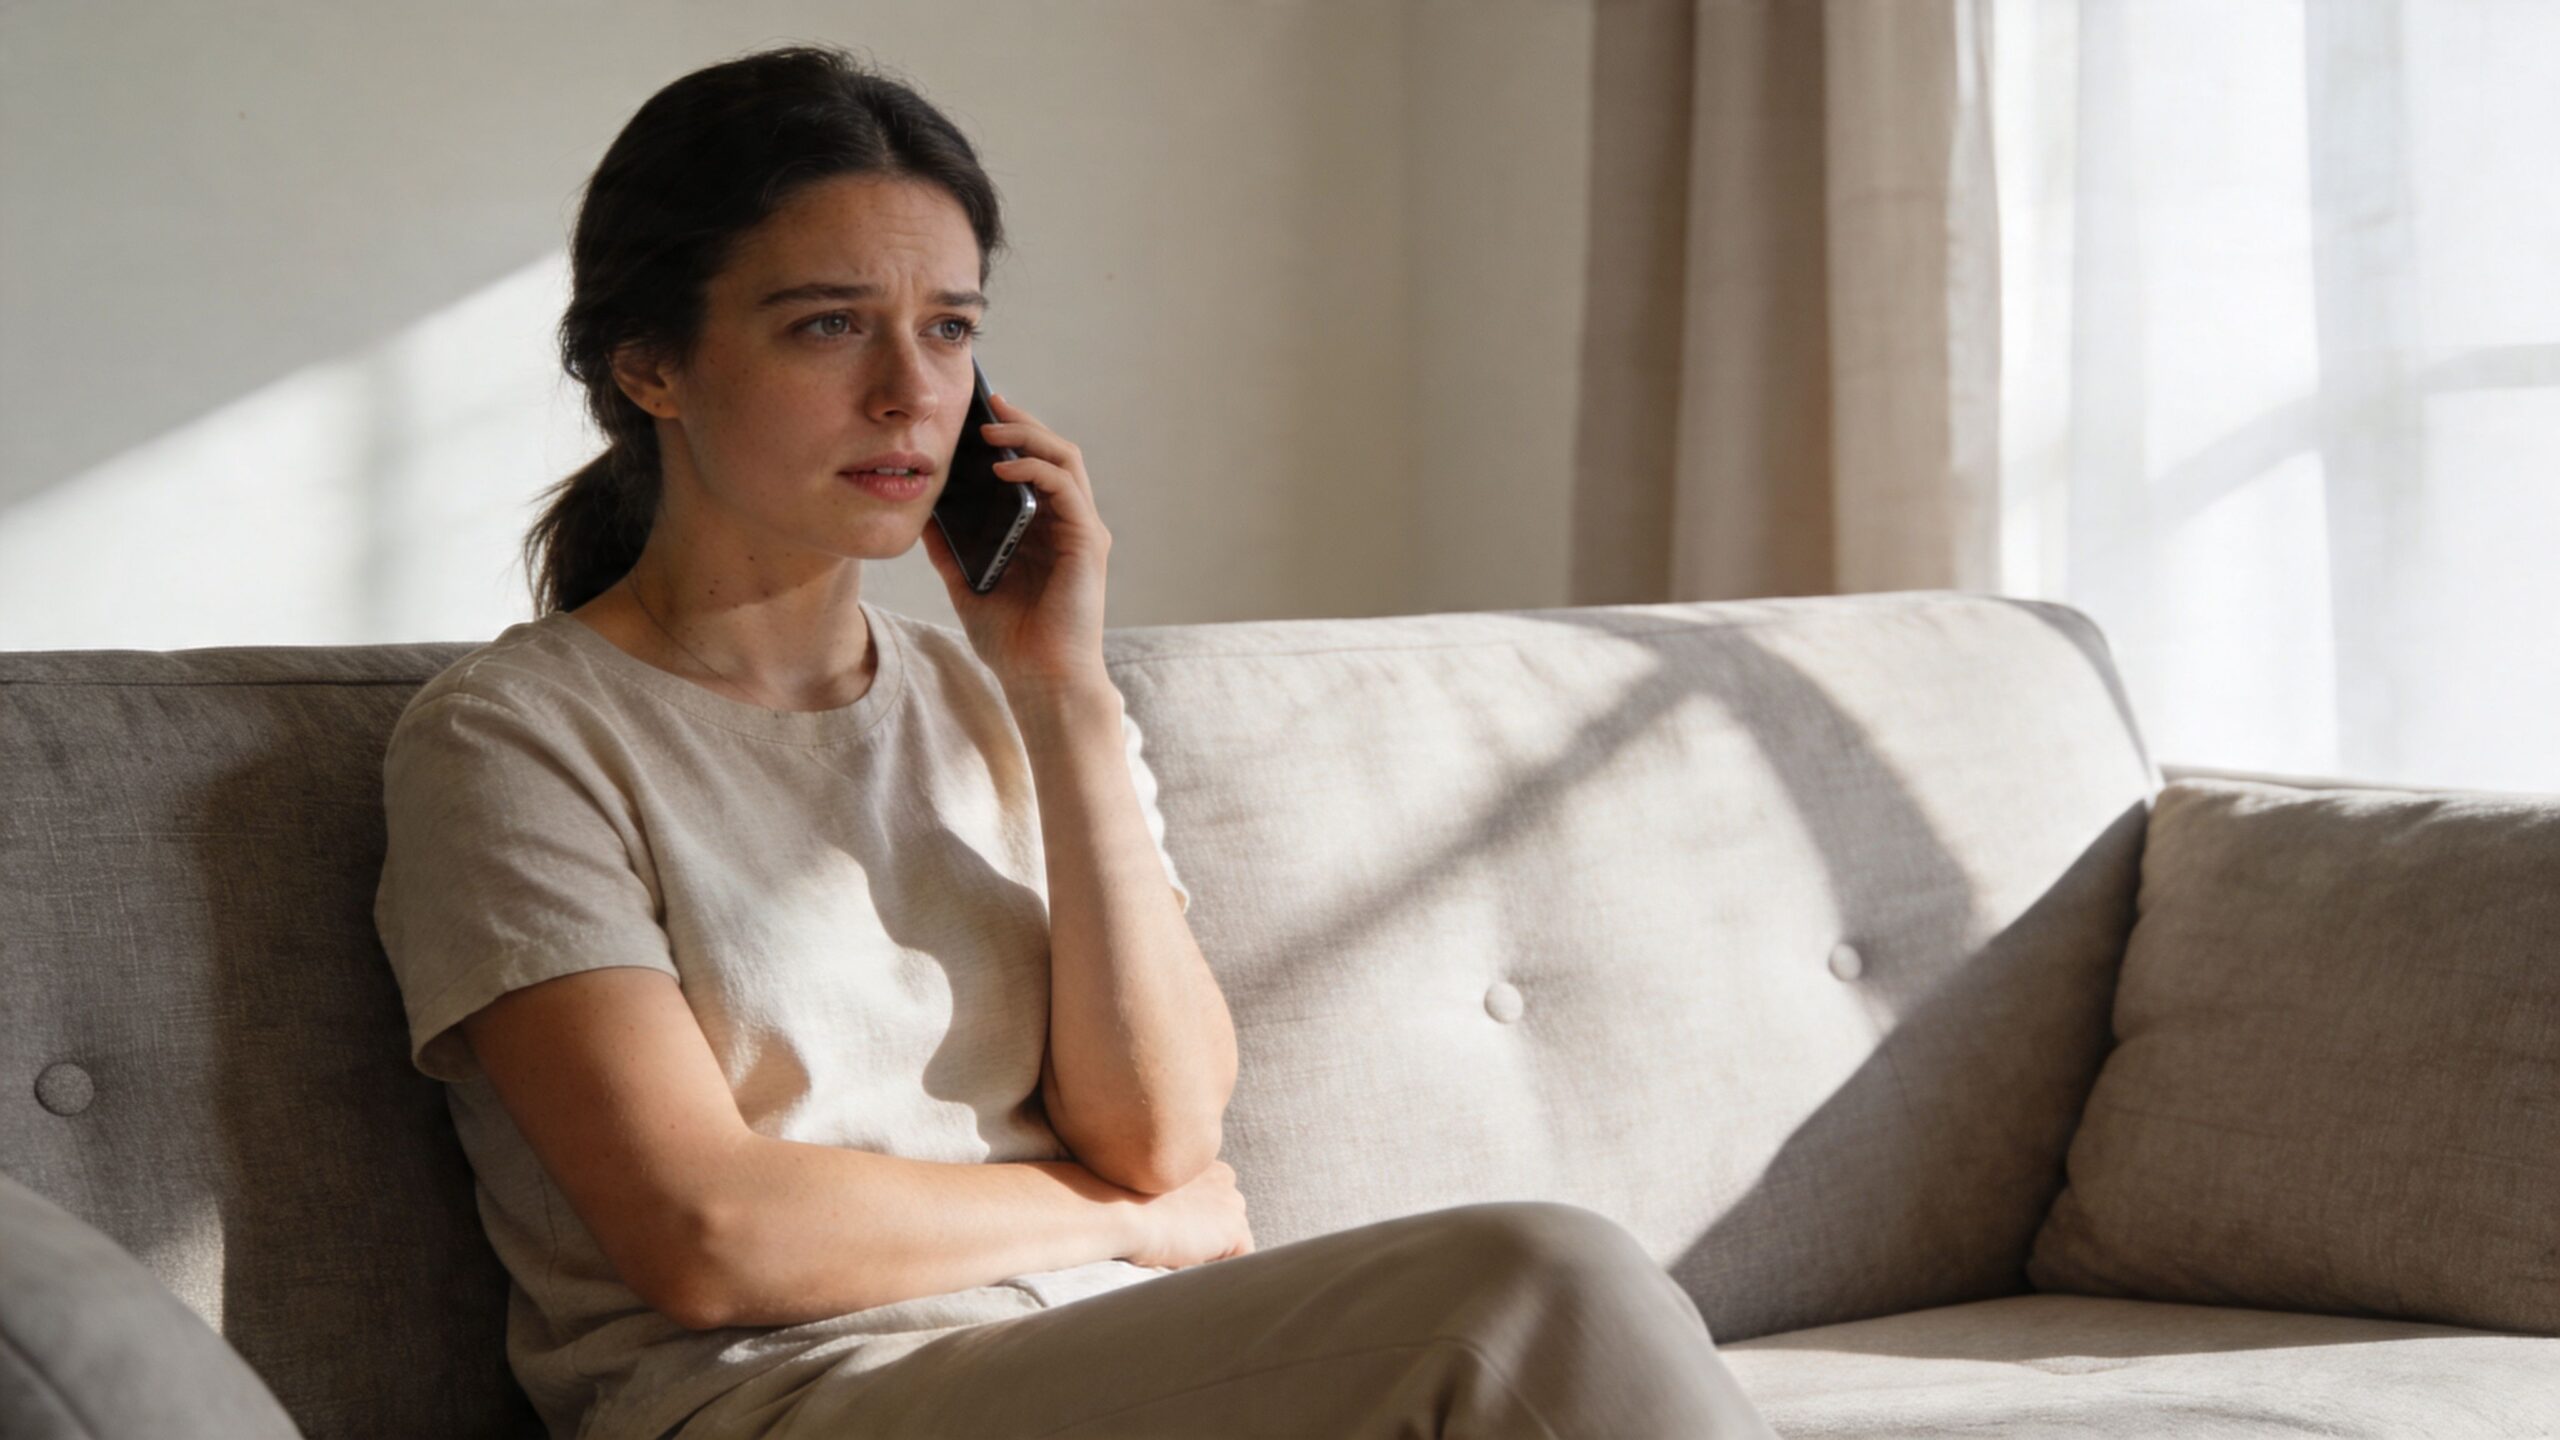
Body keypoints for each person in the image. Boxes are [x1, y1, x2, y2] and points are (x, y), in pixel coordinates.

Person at [371, 41, 1779, 1440]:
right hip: (782, 1396)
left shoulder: (998, 697)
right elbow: (709, 1236)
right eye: (829, 325)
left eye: (949, 329)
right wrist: (1119, 1222)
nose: (909, 392)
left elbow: (1162, 1135)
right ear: (650, 366)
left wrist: (1065, 697)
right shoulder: (512, 743)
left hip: (1092, 1353)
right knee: (1532, 1280)